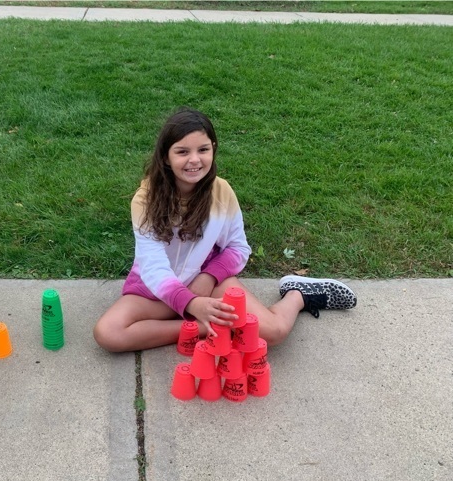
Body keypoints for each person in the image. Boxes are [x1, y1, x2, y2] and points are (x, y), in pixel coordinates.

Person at [93, 108, 356, 353]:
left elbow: (238, 248)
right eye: (182, 152)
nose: (194, 160)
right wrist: (193, 305)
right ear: (166, 156)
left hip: (206, 281)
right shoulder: (145, 199)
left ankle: (299, 295)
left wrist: (208, 277)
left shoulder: (222, 192)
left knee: (272, 333)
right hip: (157, 289)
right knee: (108, 333)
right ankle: (207, 328)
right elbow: (152, 266)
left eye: (203, 149)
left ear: (213, 149)